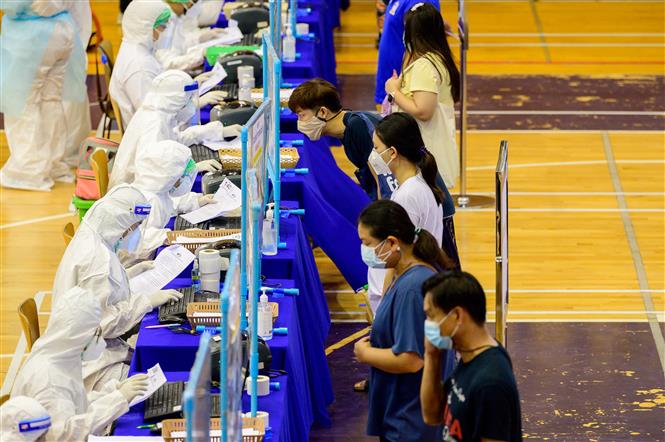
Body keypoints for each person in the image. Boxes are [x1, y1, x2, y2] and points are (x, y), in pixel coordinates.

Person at [353, 200, 455, 441]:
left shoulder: (412, 287)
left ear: (391, 242)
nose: (364, 249)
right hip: (407, 415)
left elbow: (411, 360)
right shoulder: (408, 274)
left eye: (366, 243)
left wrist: (365, 354)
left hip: (411, 422)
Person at [11, 287, 151, 440]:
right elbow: (67, 435)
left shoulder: (58, 354)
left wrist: (112, 391)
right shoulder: (50, 379)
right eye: (96, 334)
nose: (100, 341)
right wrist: (117, 400)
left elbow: (73, 407)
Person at [52, 185, 183, 340]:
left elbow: (104, 289)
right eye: (135, 226)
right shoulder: (98, 262)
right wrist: (145, 302)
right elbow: (102, 325)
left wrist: (129, 274)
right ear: (121, 225)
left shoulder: (96, 238)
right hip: (92, 355)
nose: (137, 232)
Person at [366, 112, 459, 315]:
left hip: (402, 298)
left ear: (392, 152)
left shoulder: (408, 195)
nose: (373, 155)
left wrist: (384, 305)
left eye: (376, 148)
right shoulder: (414, 184)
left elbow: (399, 255)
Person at [421, 271, 523, 442]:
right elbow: (431, 415)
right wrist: (431, 356)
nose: (428, 323)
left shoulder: (491, 383)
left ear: (457, 316)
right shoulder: (470, 357)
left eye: (431, 315)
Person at [0, 0, 87, 191]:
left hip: (32, 34)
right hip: (63, 30)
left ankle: (28, 171)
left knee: (23, 103)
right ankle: (53, 163)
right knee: (51, 100)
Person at [109, 69, 238, 189]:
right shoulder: (155, 124)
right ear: (174, 100)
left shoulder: (160, 115)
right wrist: (191, 169)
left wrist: (218, 131)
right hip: (135, 195)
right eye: (187, 100)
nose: (191, 105)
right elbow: (151, 175)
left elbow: (175, 140)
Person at [384, 3, 460, 188]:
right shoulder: (436, 57)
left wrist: (393, 90)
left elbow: (424, 110)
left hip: (425, 158)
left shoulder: (425, 66)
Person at [288, 78, 397, 200]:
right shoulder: (346, 127)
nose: (299, 122)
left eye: (301, 115)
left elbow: (383, 177)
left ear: (323, 112)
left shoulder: (358, 127)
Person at [130, 139, 216, 261]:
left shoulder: (155, 191)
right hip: (131, 267)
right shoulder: (149, 200)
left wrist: (197, 201)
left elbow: (170, 203)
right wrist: (176, 236)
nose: (184, 180)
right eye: (182, 176)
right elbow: (140, 239)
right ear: (169, 177)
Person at [110, 0, 172, 127]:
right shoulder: (140, 67)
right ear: (146, 27)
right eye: (163, 27)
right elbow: (154, 118)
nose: (166, 32)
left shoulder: (135, 48)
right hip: (149, 139)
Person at [374, 0, 438, 106]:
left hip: (403, 90)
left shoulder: (419, 2)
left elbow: (420, 44)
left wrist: (399, 87)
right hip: (390, 83)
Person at [155, 0, 229, 71]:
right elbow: (169, 64)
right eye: (189, 3)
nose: (190, 6)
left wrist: (200, 37)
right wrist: (199, 56)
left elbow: (180, 43)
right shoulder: (163, 21)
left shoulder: (175, 17)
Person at [62, 0, 93, 168]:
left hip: (70, 50)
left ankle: (69, 152)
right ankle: (61, 153)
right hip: (54, 49)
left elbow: (82, 23)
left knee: (71, 109)